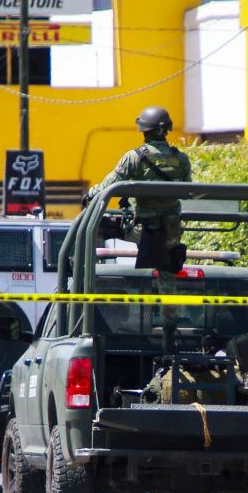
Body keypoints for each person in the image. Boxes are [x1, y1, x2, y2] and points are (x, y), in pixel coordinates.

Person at [83, 106, 192, 356]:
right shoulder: (181, 158)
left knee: (100, 225)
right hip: (171, 233)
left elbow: (108, 186)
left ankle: (85, 271)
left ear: (144, 131)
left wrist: (89, 194)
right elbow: (188, 190)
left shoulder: (134, 157)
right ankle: (168, 335)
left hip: (143, 231)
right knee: (167, 277)